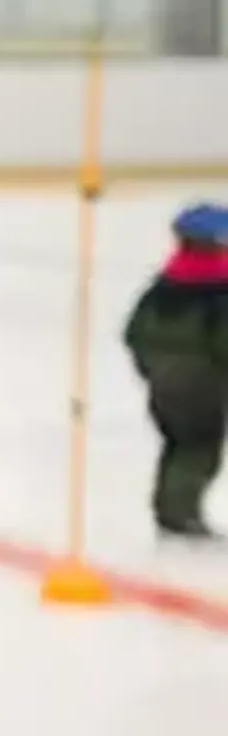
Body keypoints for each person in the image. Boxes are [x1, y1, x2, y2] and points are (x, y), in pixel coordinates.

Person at [124, 202, 228, 541]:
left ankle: (169, 509)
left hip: (164, 385)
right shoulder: (219, 292)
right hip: (203, 388)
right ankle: (181, 515)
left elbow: (133, 333)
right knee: (199, 449)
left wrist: (151, 370)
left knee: (176, 445)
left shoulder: (163, 287)